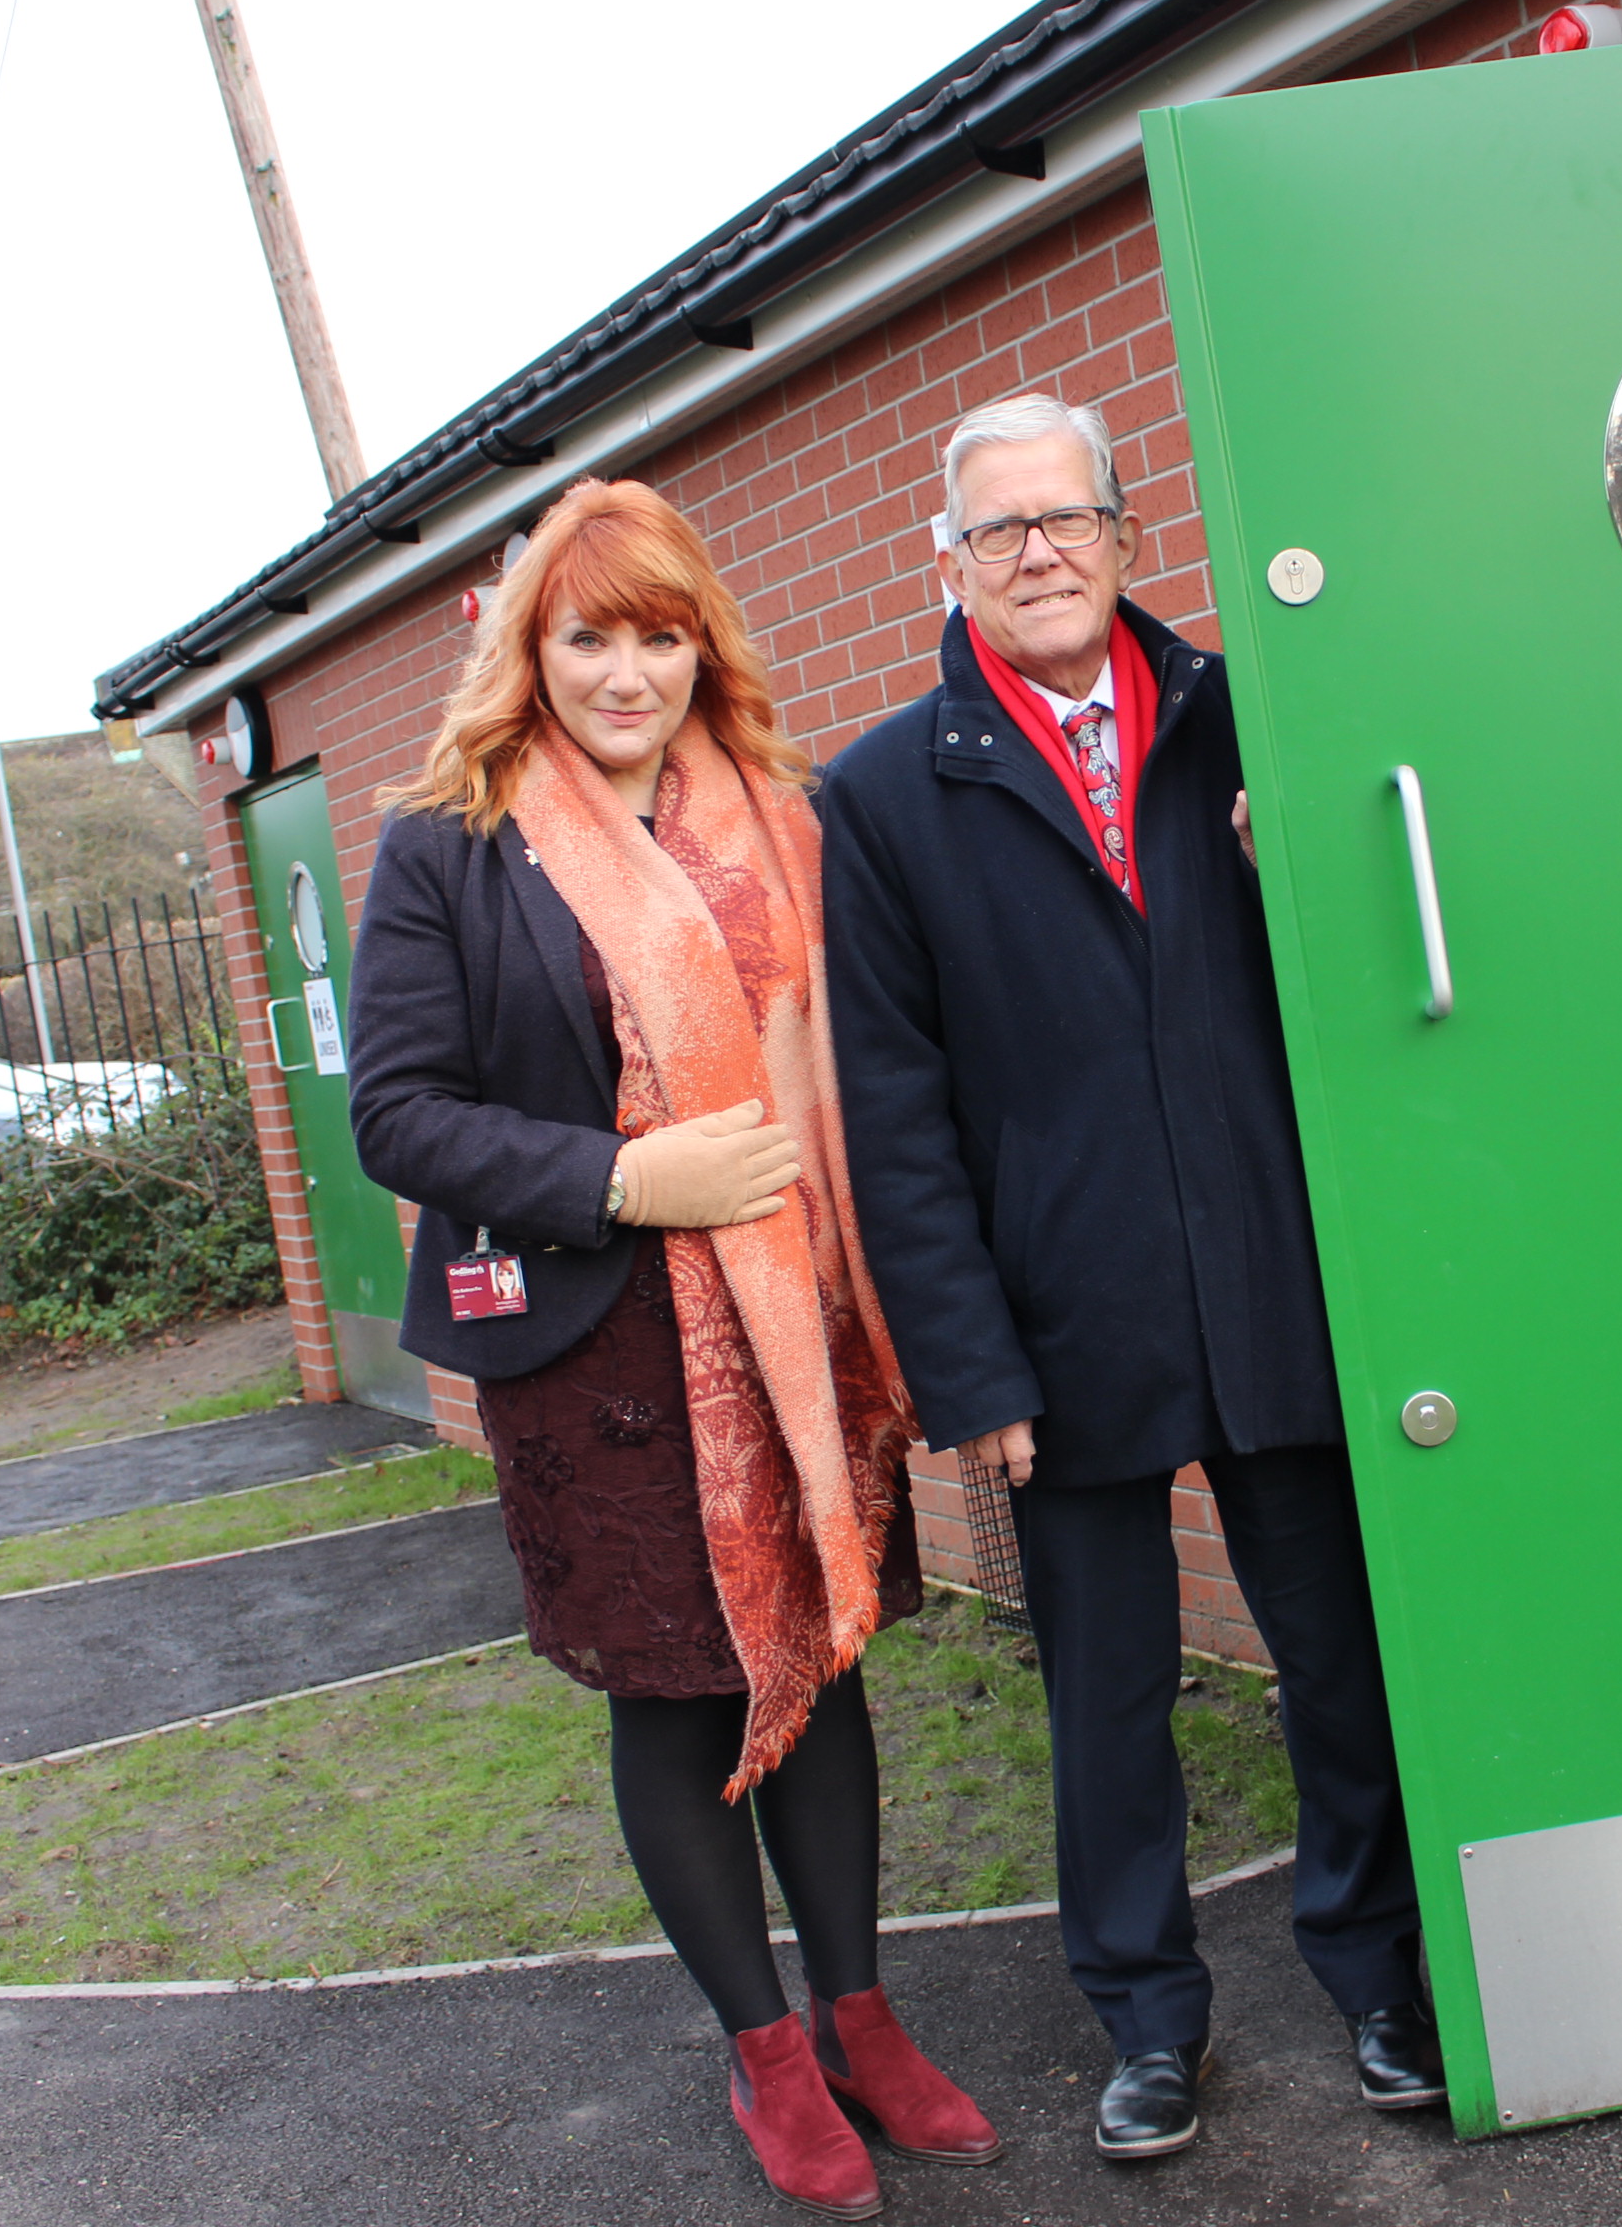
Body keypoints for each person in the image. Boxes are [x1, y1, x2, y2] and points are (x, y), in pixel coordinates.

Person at [346, 477, 997, 2221]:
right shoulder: (448, 842)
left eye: (657, 635)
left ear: (698, 642)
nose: (624, 673)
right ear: (526, 646)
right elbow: (398, 1116)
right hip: (597, 1347)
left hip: (800, 1326)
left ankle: (862, 2017)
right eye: (586, 637)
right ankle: (766, 2048)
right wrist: (628, 1174)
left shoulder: (783, 820)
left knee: (827, 1669)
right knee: (681, 1688)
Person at [818, 394, 1438, 2162]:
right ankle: (1149, 2020)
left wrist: (1294, 873)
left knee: (1338, 1661)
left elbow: (1387, 963)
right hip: (1059, 1324)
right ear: (949, 562)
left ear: (1125, 533)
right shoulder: (879, 796)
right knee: (1106, 1700)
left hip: (1278, 1284)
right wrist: (969, 1367)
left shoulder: (1258, 723)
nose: (1037, 555)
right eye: (997, 531)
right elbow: (894, 1111)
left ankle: (1380, 1975)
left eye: (1066, 519)